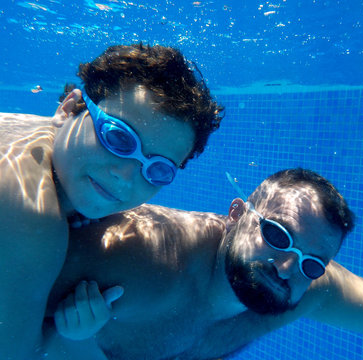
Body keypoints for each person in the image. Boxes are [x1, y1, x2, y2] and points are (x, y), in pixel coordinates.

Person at [43, 168, 363, 360]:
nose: (289, 268)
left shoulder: (306, 288)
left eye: (313, 263)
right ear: (235, 216)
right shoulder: (137, 257)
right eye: (277, 235)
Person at [0, 43, 223, 360]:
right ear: (68, 109)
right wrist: (75, 339)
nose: (126, 175)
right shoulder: (31, 216)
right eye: (118, 137)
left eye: (156, 169)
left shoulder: (26, 133)